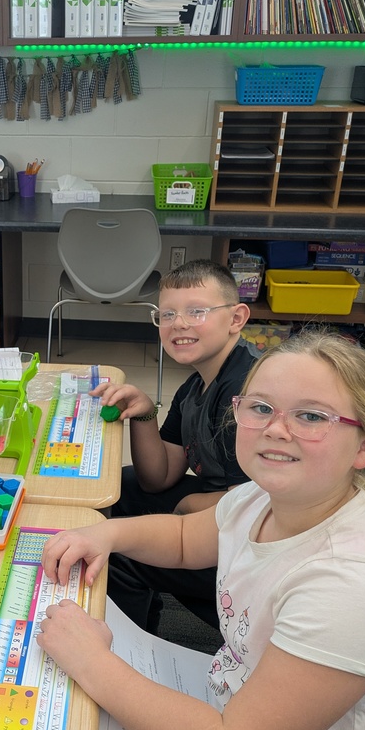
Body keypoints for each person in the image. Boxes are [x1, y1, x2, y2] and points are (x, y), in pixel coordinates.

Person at [39, 331, 365, 730]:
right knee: (71, 729)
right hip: (240, 717)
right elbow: (188, 540)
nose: (277, 428)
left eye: (312, 417)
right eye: (261, 407)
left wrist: (94, 661)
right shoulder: (264, 495)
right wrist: (107, 536)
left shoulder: (354, 584)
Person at [92, 259, 255, 633]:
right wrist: (145, 414)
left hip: (260, 537)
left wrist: (184, 506)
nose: (178, 323)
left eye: (196, 311)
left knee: (119, 554)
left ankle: (131, 645)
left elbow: (254, 507)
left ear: (236, 318)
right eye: (166, 315)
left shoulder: (245, 393)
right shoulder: (195, 386)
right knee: (121, 489)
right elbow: (158, 478)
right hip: (226, 505)